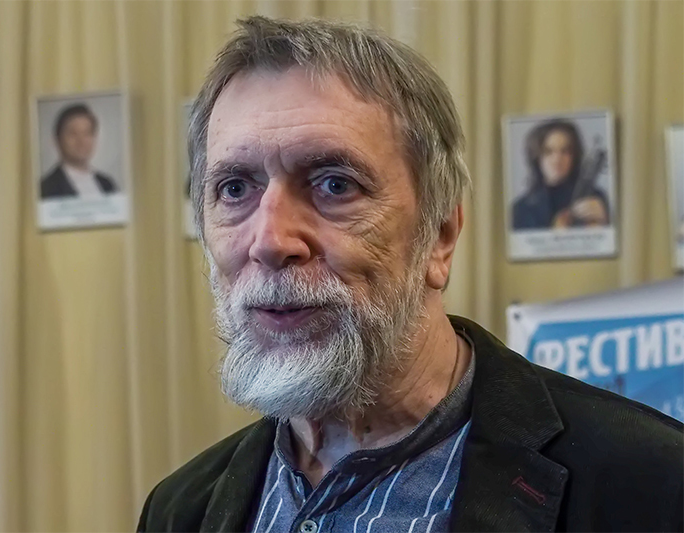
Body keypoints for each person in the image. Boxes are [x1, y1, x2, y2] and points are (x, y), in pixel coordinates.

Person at [137, 16, 683, 533]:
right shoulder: (180, 509)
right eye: (234, 189)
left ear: (440, 234)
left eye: (334, 184)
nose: (271, 241)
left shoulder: (653, 485)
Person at [512, 120, 610, 230]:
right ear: (537, 158)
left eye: (565, 151)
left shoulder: (595, 198)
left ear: (574, 156)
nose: (557, 159)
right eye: (548, 152)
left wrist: (605, 223)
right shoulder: (521, 208)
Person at [40, 103, 118, 199]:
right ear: (58, 140)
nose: (81, 141)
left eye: (87, 133)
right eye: (73, 134)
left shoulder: (107, 185)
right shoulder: (45, 188)